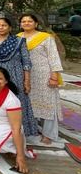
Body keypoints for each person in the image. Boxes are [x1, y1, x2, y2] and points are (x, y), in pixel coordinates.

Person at [0, 17, 37, 137]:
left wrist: (27, 81)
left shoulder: (19, 41)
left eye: (3, 25)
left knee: (17, 103)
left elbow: (27, 63)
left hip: (15, 77)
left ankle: (21, 132)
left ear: (10, 27)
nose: (1, 28)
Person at [18, 14, 63, 145]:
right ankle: (32, 129)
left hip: (44, 75)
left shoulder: (45, 38)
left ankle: (48, 134)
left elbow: (53, 56)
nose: (26, 23)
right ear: (20, 24)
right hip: (25, 75)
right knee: (28, 103)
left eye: (29, 21)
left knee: (48, 104)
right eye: (24, 21)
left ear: (36, 23)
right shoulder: (17, 38)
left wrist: (54, 76)